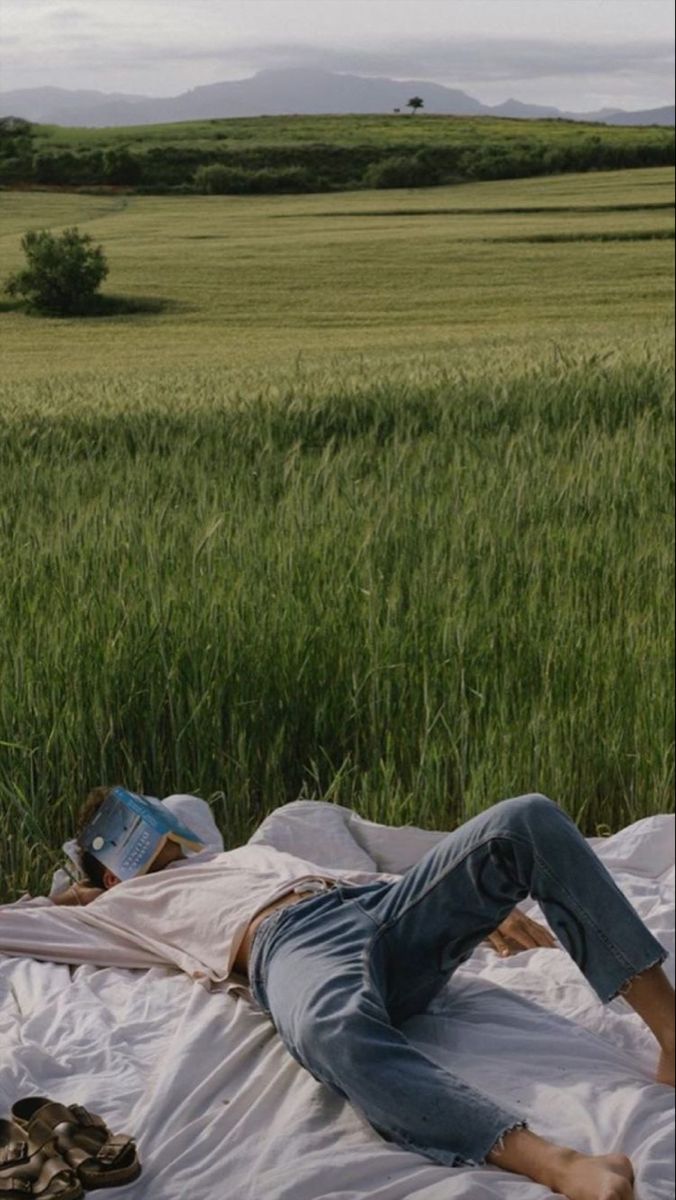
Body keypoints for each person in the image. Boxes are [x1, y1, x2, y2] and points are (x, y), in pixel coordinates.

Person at [3, 789, 674, 1200]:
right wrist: (83, 892)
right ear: (107, 870)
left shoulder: (239, 854)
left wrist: (477, 900)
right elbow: (21, 920)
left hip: (373, 906)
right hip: (289, 946)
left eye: (135, 813)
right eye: (118, 836)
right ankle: (553, 1162)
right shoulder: (119, 907)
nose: (139, 830)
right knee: (328, 1029)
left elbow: (370, 876)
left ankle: (671, 1033)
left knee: (525, 819)